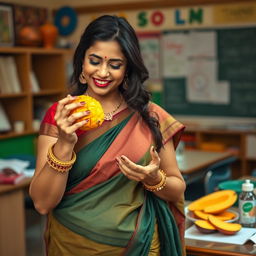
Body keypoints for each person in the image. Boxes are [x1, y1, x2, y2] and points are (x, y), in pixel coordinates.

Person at [29, 15, 186, 256]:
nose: (103, 72)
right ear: (82, 61)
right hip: (71, 246)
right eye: (95, 61)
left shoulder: (150, 116)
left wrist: (153, 179)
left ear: (127, 69)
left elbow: (177, 189)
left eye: (115, 64)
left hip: (139, 246)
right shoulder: (63, 115)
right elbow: (42, 203)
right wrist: (64, 143)